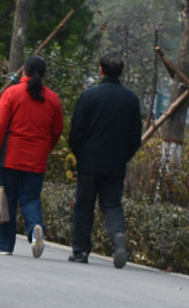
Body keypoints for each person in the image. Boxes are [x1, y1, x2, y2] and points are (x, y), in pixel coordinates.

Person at [0, 55, 63, 258]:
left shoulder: (12, 94)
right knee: (30, 199)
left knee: (6, 201)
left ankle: (5, 245)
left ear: (23, 72)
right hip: (36, 160)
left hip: (10, 157)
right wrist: (45, 149)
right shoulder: (53, 99)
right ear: (44, 75)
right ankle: (35, 229)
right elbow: (56, 131)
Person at [68, 53, 142, 268]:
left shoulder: (89, 96)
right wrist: (124, 156)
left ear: (100, 70)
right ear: (121, 72)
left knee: (84, 206)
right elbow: (135, 137)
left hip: (89, 161)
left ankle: (81, 250)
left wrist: (80, 154)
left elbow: (76, 132)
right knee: (111, 205)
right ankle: (117, 233)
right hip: (116, 163)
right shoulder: (131, 100)